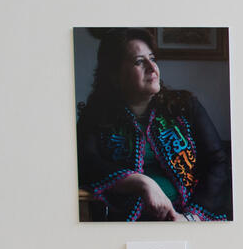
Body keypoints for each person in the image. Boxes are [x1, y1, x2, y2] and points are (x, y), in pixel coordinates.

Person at [76, 29, 232, 221]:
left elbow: (218, 162)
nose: (152, 67)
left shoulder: (185, 106)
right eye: (139, 61)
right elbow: (85, 164)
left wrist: (191, 217)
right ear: (115, 75)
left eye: (152, 58)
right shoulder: (95, 115)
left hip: (191, 217)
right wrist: (141, 182)